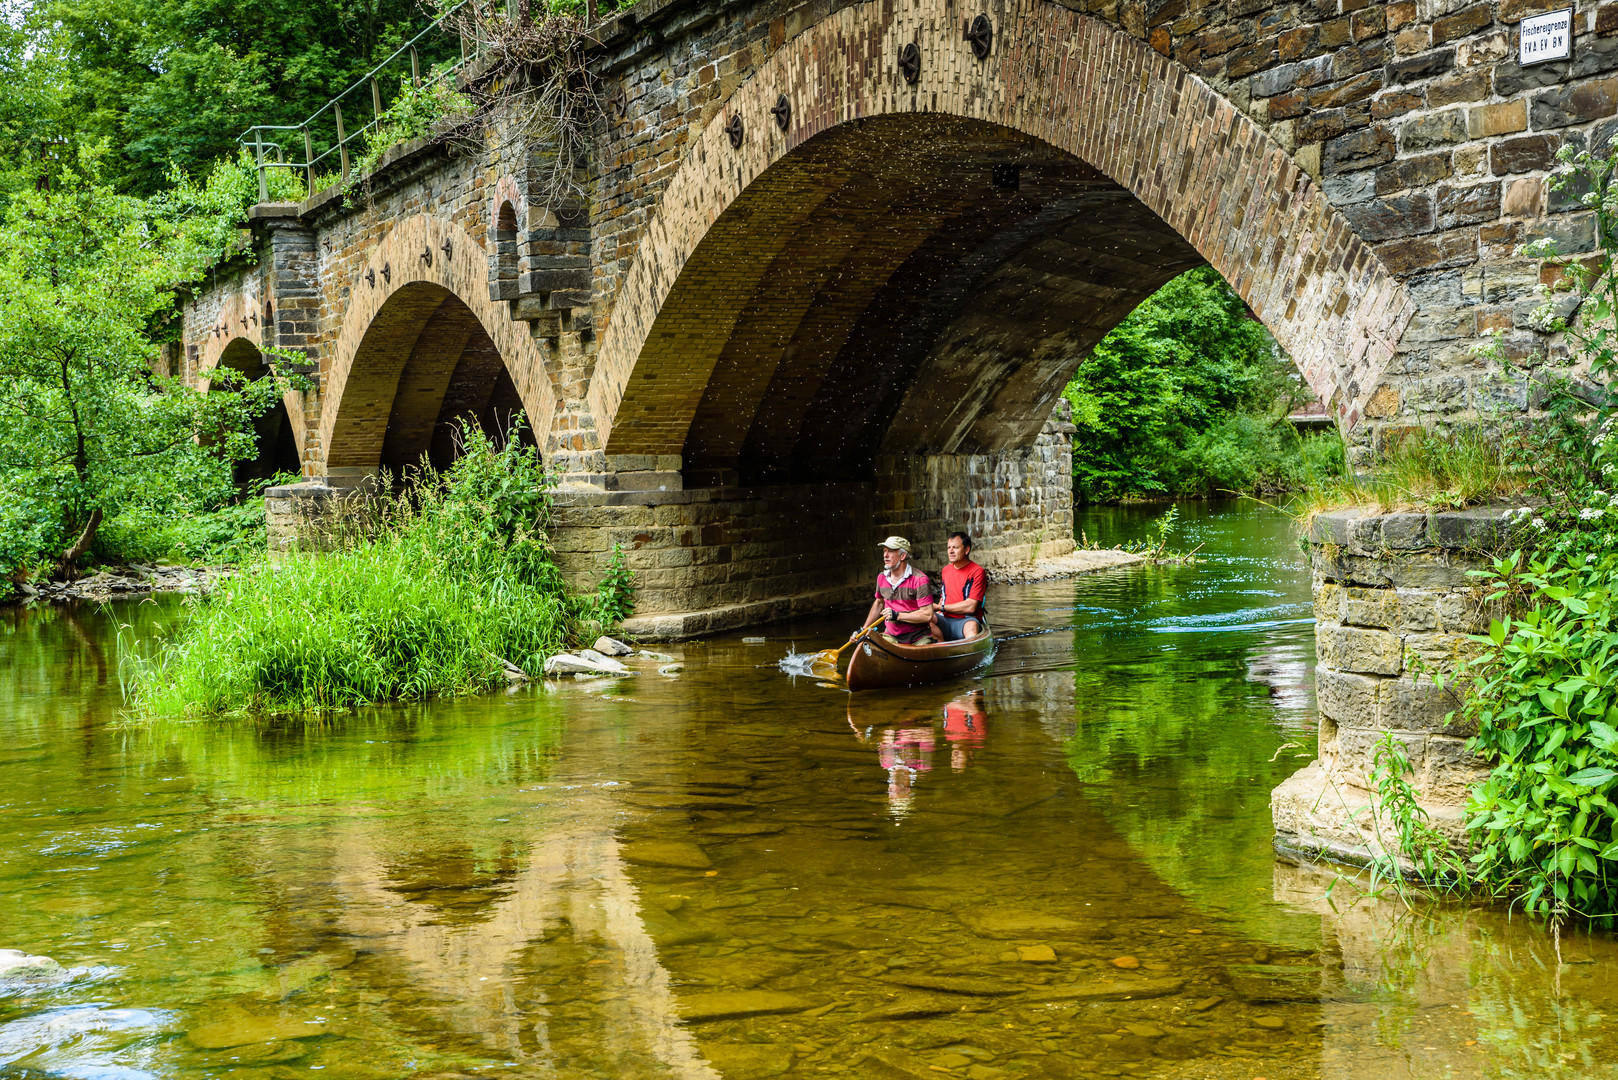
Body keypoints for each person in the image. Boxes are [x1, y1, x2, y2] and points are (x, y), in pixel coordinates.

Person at [855, 536, 935, 645]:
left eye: (891, 551)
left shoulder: (920, 580)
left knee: (920, 654)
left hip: (918, 638)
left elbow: (927, 615)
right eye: (884, 551)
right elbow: (879, 603)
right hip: (891, 636)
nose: (885, 555)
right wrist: (863, 630)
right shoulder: (881, 577)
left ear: (903, 556)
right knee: (869, 648)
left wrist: (898, 616)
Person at [931, 530, 987, 641]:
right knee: (923, 619)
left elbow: (971, 607)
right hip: (944, 618)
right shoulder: (946, 570)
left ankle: (969, 652)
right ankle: (940, 647)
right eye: (948, 548)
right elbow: (944, 596)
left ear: (966, 550)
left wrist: (940, 607)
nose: (951, 551)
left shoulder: (977, 571)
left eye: (955, 548)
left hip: (966, 620)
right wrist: (938, 609)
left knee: (971, 628)